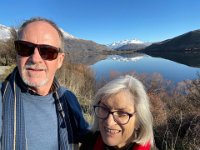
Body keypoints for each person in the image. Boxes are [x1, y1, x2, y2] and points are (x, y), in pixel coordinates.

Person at [0, 17, 89, 150]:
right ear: (17, 54)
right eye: (25, 48)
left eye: (47, 51)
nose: (35, 58)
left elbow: (91, 139)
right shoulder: (2, 99)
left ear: (60, 60)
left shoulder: (68, 99)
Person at [80, 75, 154, 150]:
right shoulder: (90, 142)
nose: (109, 122)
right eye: (104, 108)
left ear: (138, 121)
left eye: (122, 113)